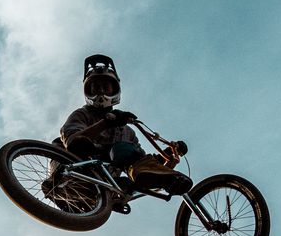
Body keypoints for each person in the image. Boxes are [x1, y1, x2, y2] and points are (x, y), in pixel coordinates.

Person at [48, 54, 192, 203]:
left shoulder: (127, 132)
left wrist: (167, 156)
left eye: (106, 87)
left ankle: (167, 180)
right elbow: (72, 140)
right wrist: (107, 122)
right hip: (73, 173)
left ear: (114, 90)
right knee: (79, 143)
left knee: (128, 166)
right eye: (95, 88)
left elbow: (141, 164)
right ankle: (62, 182)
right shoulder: (82, 114)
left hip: (100, 185)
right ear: (88, 92)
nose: (101, 92)